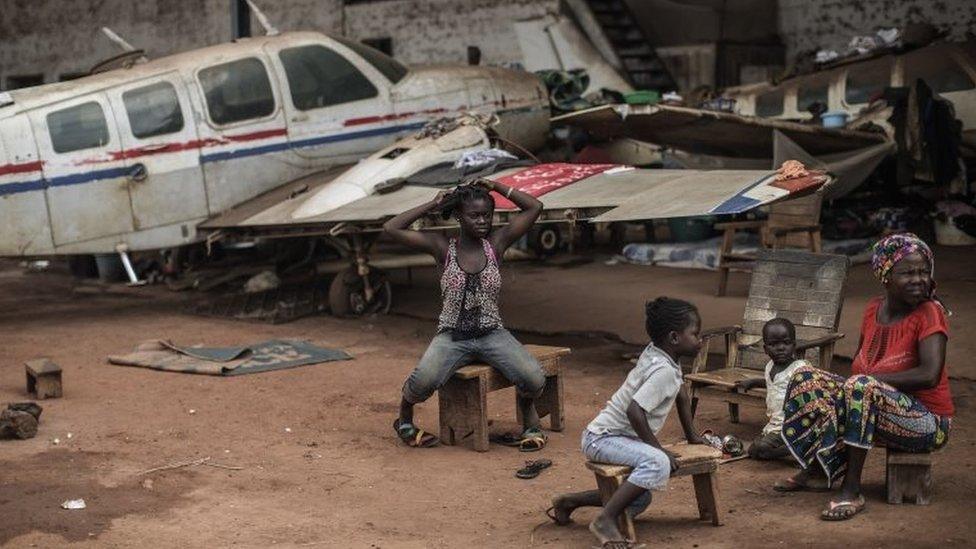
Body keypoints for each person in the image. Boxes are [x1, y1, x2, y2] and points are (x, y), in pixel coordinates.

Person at [778, 233, 953, 520]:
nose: (919, 279)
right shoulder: (873, 309)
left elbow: (930, 375)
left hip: (928, 423)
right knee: (804, 377)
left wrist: (868, 384)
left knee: (860, 386)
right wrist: (853, 389)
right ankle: (819, 470)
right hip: (879, 408)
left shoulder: (930, 313)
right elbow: (861, 369)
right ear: (884, 275)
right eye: (907, 273)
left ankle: (852, 489)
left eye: (923, 271)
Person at [383, 179, 547, 450]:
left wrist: (496, 186)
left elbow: (534, 207)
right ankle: (404, 418)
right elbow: (391, 228)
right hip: (452, 337)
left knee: (533, 377)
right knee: (423, 381)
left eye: (487, 215)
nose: (483, 221)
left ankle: (529, 415)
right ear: (459, 216)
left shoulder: (496, 244)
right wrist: (434, 204)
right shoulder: (442, 247)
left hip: (492, 333)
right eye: (474, 215)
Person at [547, 297, 707, 548]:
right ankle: (605, 520)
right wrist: (658, 450)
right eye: (695, 334)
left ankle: (568, 502)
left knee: (640, 499)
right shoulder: (662, 369)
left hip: (613, 437)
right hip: (602, 439)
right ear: (675, 338)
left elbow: (682, 394)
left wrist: (693, 436)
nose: (700, 339)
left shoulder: (660, 354)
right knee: (658, 463)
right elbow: (635, 411)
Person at [733, 318, 811, 461]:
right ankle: (790, 450)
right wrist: (754, 382)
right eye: (774, 344)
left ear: (794, 345)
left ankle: (801, 446)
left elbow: (811, 395)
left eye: (786, 343)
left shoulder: (800, 369)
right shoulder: (769, 367)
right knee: (753, 451)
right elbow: (775, 384)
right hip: (774, 424)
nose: (781, 348)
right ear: (765, 348)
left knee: (762, 447)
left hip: (792, 424)